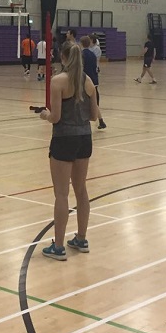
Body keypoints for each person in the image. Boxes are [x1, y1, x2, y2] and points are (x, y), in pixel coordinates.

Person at [38, 40, 100, 261]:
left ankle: (58, 246)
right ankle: (81, 238)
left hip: (64, 139)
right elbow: (94, 116)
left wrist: (45, 115)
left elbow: (55, 117)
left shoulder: (58, 81)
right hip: (85, 138)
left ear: (62, 58)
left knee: (62, 194)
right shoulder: (88, 81)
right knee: (81, 190)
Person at [80, 36, 106, 130]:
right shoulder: (92, 55)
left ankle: (82, 119)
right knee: (94, 102)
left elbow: (81, 68)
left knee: (82, 101)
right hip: (94, 80)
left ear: (81, 44)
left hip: (86, 80)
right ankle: (101, 121)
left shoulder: (82, 54)